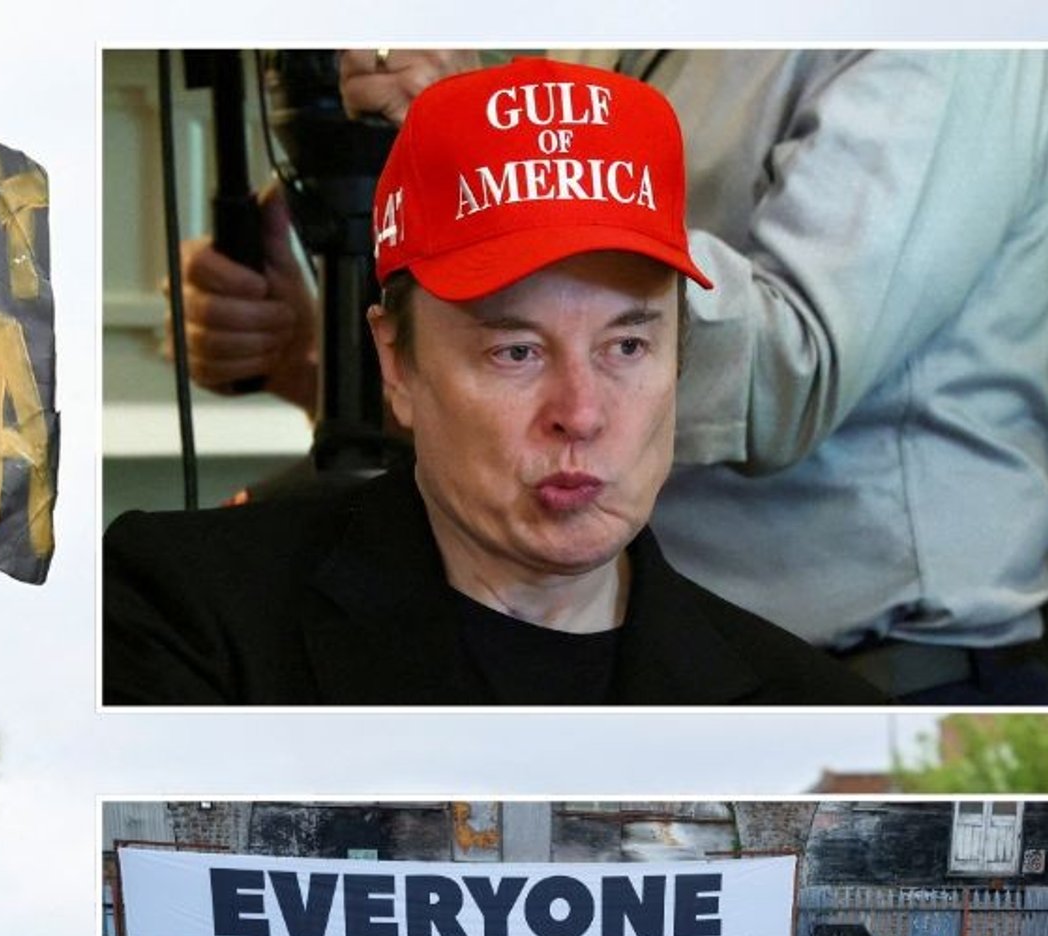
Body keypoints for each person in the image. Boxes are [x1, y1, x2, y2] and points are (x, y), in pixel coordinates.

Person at [207, 49, 1048, 703]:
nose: (581, 408)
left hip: (893, 683)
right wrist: (316, 357)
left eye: (633, 346)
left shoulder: (940, 33)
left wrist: (512, 160)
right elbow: (542, 365)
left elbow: (796, 370)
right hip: (653, 654)